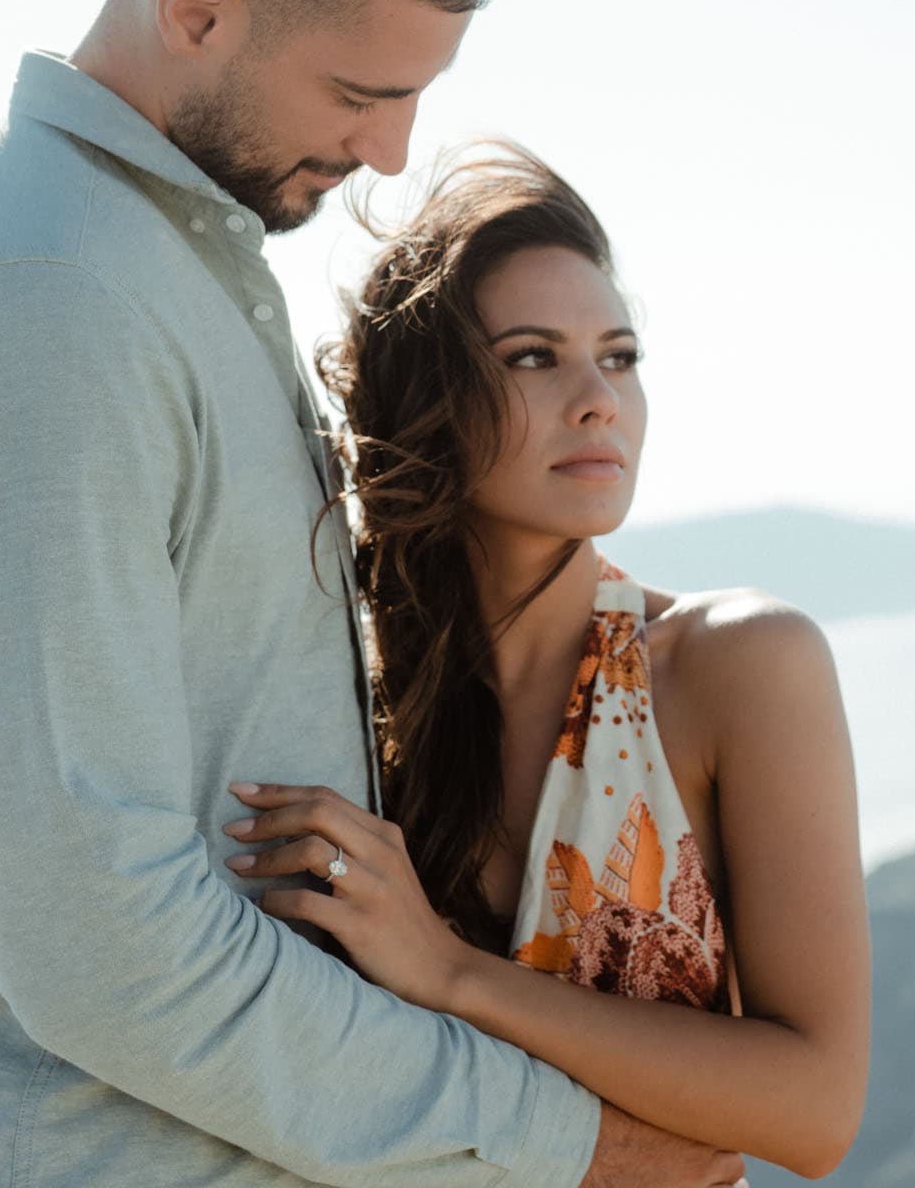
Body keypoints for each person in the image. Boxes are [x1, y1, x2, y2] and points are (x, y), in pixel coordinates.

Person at [0, 0, 742, 1186]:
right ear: (198, 9)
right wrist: (552, 1137)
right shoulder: (40, 303)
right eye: (361, 91)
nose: (390, 151)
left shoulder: (164, 276)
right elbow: (105, 944)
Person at [214, 142, 871, 1178]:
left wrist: (452, 972)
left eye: (618, 355)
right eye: (533, 356)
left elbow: (815, 1109)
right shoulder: (355, 699)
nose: (599, 397)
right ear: (429, 403)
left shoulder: (736, 665)